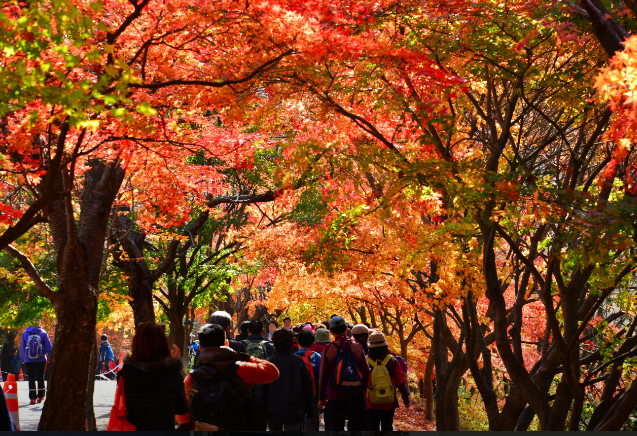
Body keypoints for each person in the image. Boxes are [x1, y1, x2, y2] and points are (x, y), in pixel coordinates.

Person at [183, 324, 279, 431]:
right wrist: (243, 356)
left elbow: (182, 415)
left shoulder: (192, 377)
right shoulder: (240, 369)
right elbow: (272, 371)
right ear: (226, 343)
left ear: (200, 348)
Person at [117, 322, 189, 430]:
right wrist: (173, 363)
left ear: (136, 343)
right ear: (163, 344)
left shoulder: (125, 374)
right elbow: (181, 409)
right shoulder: (172, 375)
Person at [318, 315, 371, 431]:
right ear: (346, 328)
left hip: (335, 396)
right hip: (356, 395)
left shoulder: (328, 349)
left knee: (335, 428)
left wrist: (322, 398)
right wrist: (362, 390)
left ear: (330, 331)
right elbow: (366, 371)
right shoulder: (357, 347)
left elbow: (323, 375)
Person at [265, 328, 314, 431]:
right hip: (295, 409)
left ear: (274, 342)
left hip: (273, 409)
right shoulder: (298, 361)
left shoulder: (268, 362)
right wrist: (309, 408)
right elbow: (307, 387)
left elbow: (262, 390)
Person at [365, 331, 410, 431]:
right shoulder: (392, 360)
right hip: (389, 400)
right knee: (387, 426)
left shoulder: (365, 360)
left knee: (372, 428)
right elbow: (401, 381)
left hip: (370, 401)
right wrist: (405, 399)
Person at [240, 320, 275, 430]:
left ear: (248, 331)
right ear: (262, 331)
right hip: (263, 393)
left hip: (244, 391)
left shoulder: (240, 345)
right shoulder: (270, 347)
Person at [20, 319, 52, 404]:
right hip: (41, 359)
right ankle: (41, 396)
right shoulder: (43, 332)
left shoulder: (25, 333)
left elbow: (22, 347)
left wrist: (23, 358)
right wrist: (51, 357)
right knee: (40, 377)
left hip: (28, 359)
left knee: (31, 378)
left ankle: (32, 398)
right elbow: (49, 347)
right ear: (39, 322)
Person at [295, 328, 321, 431]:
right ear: (312, 343)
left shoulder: (294, 357)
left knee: (296, 425)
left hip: (295, 397)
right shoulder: (316, 357)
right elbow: (319, 378)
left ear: (297, 342)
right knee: (310, 425)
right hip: (312, 397)